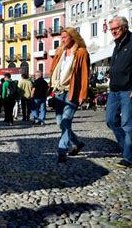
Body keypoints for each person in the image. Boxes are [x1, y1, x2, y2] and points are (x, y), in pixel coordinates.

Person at [106, 16, 132, 168]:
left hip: (129, 90)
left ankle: (129, 158)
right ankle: (129, 149)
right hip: (114, 91)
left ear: (124, 27)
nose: (113, 32)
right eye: (111, 29)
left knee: (128, 124)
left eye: (115, 28)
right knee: (110, 120)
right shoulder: (117, 44)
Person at [50, 27, 90, 163]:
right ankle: (77, 144)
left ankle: (62, 151)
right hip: (59, 91)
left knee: (66, 121)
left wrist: (82, 94)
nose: (62, 40)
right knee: (60, 122)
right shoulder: (60, 51)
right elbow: (54, 70)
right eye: (61, 37)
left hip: (72, 91)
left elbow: (85, 74)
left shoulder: (81, 52)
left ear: (72, 37)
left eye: (65, 37)